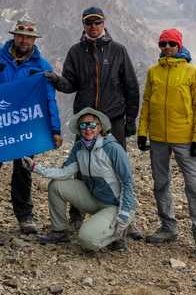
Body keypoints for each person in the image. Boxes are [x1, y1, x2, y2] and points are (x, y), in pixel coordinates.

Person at [44, 6, 141, 235]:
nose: (93, 26)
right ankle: (76, 215)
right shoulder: (76, 52)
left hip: (113, 119)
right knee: (81, 166)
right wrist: (57, 80)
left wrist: (131, 119)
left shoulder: (118, 50)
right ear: (83, 25)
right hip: (86, 122)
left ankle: (126, 216)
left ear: (104, 23)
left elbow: (131, 87)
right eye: (88, 23)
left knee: (118, 168)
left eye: (97, 22)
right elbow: (70, 85)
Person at [137, 28, 196, 259]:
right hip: (159, 138)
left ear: (179, 46)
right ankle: (168, 228)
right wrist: (143, 133)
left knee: (195, 188)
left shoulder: (193, 73)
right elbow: (148, 104)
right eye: (163, 44)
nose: (167, 48)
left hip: (184, 140)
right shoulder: (154, 72)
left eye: (171, 44)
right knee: (160, 184)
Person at [0, 19, 63, 235]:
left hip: (26, 125)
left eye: (28, 37)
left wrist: (55, 130)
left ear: (34, 40)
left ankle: (25, 216)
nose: (24, 40)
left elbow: (48, 98)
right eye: (20, 35)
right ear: (14, 36)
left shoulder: (41, 66)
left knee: (24, 169)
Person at [27, 108, 136, 252]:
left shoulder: (113, 149)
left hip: (114, 205)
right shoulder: (79, 148)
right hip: (94, 198)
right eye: (83, 125)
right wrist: (35, 167)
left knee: (87, 240)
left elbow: (127, 183)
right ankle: (59, 231)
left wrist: (124, 215)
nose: (88, 129)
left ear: (100, 127)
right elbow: (64, 172)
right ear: (79, 129)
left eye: (92, 125)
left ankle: (119, 233)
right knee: (56, 186)